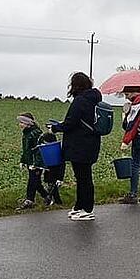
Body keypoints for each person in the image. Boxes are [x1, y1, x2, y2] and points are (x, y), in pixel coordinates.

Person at [49, 72, 102, 221]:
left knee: (83, 178)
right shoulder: (94, 100)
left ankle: (87, 209)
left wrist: (55, 128)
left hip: (80, 145)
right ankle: (79, 206)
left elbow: (70, 123)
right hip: (91, 143)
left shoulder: (80, 101)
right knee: (83, 177)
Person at [15, 112, 51, 211]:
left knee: (32, 181)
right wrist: (23, 160)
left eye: (22, 122)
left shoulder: (35, 133)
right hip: (30, 162)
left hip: (36, 163)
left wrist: (35, 164)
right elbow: (26, 150)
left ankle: (29, 200)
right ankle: (47, 197)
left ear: (28, 123)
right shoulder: (26, 133)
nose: (20, 124)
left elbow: (38, 150)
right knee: (36, 182)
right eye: (20, 122)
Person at [38, 130, 64, 206]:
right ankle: (56, 201)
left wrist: (60, 177)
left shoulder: (56, 151)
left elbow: (62, 164)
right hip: (50, 171)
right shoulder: (53, 150)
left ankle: (56, 201)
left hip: (55, 172)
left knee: (52, 187)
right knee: (51, 186)